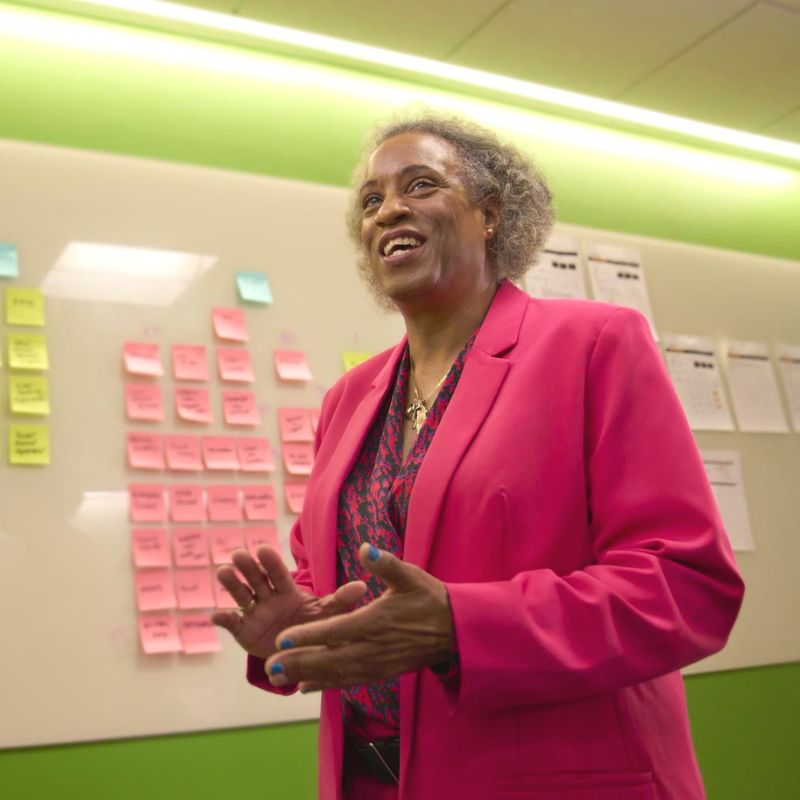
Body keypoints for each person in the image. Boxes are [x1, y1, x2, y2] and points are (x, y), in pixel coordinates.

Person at [212, 113, 744, 800]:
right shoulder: (349, 398)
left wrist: (461, 627)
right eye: (371, 200)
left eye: (420, 185)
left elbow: (688, 586)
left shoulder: (593, 344)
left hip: (554, 779)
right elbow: (332, 586)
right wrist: (294, 630)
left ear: (490, 215)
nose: (389, 209)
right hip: (369, 780)